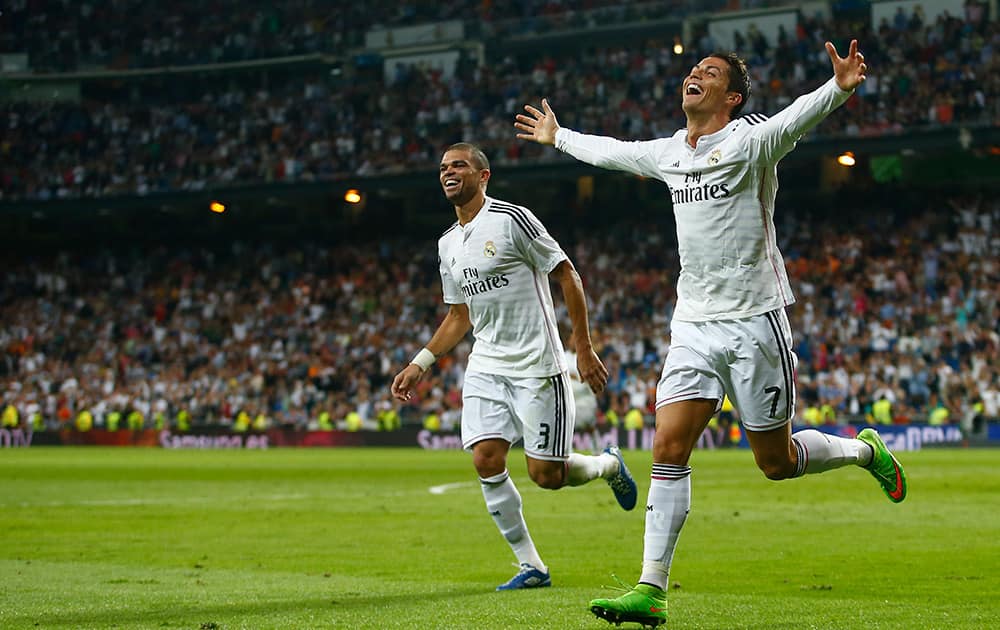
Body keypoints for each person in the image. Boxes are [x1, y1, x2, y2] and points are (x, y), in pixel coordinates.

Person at [515, 41, 908, 626]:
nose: (694, 76)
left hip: (756, 320)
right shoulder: (670, 151)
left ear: (732, 97)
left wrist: (841, 88)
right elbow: (616, 153)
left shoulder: (751, 141)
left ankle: (861, 450)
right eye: (693, 70)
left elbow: (795, 116)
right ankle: (652, 588)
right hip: (693, 324)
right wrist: (559, 136)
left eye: (710, 73)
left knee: (775, 462)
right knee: (668, 447)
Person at [391, 142, 639, 591]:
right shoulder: (447, 244)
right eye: (443, 167)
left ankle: (607, 465)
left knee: (547, 475)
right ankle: (532, 566)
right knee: (486, 460)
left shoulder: (511, 220)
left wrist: (582, 347)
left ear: (483, 176)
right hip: (486, 365)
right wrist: (420, 362)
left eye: (459, 165)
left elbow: (567, 275)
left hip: (537, 366)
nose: (449, 172)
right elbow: (459, 315)